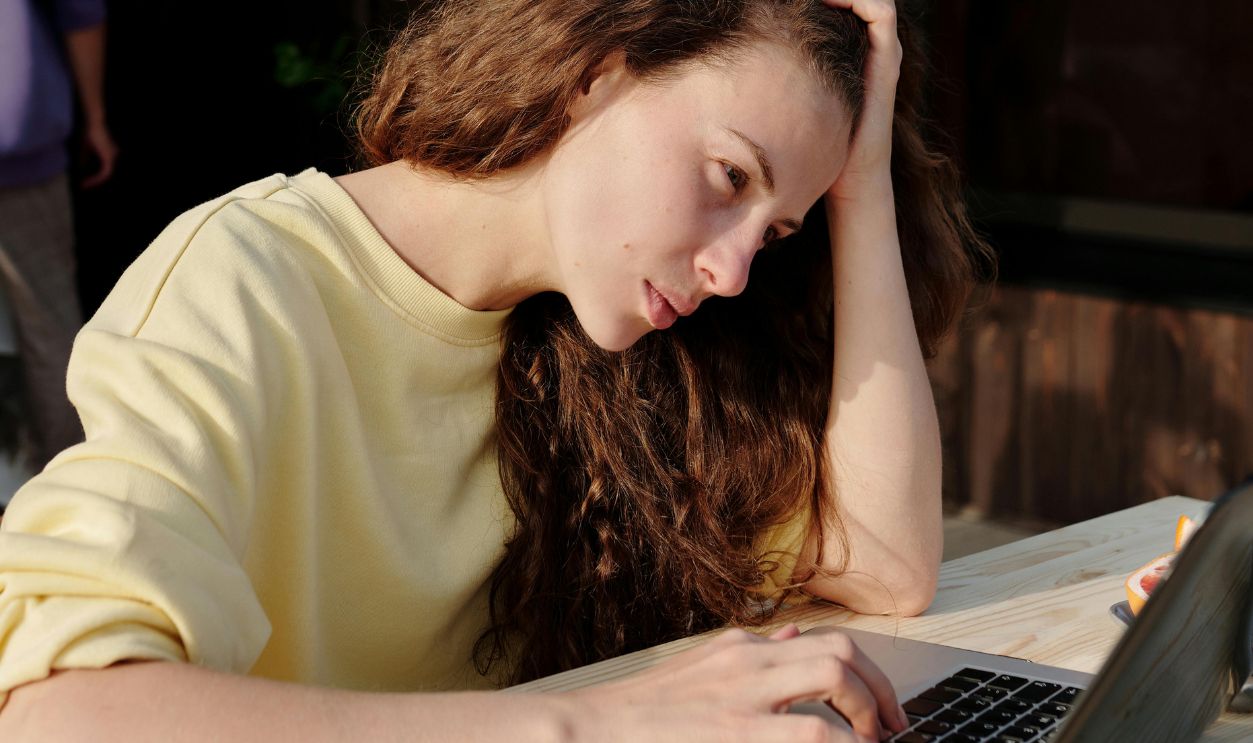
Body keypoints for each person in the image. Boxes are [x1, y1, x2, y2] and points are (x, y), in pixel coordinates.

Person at [0, 0, 989, 740]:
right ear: (595, 67)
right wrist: (586, 724)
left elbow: (883, 563)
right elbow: (60, 712)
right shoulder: (245, 280)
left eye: (772, 234)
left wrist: (855, 186)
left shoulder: (621, 352)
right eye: (728, 176)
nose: (732, 271)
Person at [0, 0, 117, 473]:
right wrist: (95, 119)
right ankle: (69, 490)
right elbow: (82, 14)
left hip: (20, 145)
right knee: (49, 329)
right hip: (18, 138)